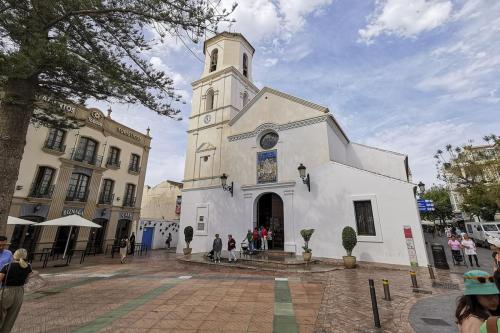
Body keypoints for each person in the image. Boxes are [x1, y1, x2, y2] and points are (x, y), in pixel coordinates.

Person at [0, 249, 32, 333]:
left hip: (6, 291)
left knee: (0, 315)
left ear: (15, 255)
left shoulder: (7, 266)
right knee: (11, 317)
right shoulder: (28, 266)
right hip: (19, 292)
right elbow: (26, 281)